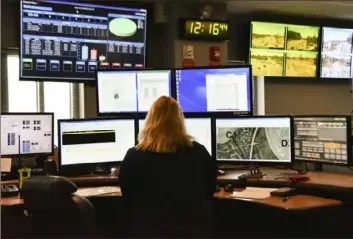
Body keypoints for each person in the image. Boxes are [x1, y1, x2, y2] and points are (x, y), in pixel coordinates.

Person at [119, 96, 217, 238]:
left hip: (148, 232)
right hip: (191, 232)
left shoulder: (133, 156)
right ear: (180, 122)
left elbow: (127, 195)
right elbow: (210, 189)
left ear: (149, 121)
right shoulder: (198, 152)